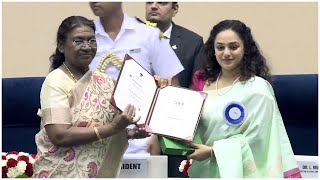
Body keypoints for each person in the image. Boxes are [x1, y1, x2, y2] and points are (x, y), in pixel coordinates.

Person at [33, 16, 150, 178]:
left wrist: (130, 133)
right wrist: (112, 128)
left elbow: (104, 128)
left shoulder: (105, 81)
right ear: (61, 46)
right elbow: (59, 135)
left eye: (92, 41)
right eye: (78, 41)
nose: (87, 47)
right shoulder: (55, 81)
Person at [187, 20, 301, 178]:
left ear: (245, 49)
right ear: (213, 50)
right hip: (204, 169)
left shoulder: (258, 89)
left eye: (233, 47)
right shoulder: (203, 83)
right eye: (220, 47)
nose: (226, 53)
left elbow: (259, 140)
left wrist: (214, 151)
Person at [89, 2, 184, 156]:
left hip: (140, 142)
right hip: (94, 139)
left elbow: (173, 88)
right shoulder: (84, 35)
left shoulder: (148, 34)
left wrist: (157, 134)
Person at [145, 2, 204, 88]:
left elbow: (197, 87)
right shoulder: (132, 38)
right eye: (149, 2)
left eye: (161, 3)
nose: (153, 6)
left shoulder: (193, 42)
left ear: (175, 9)